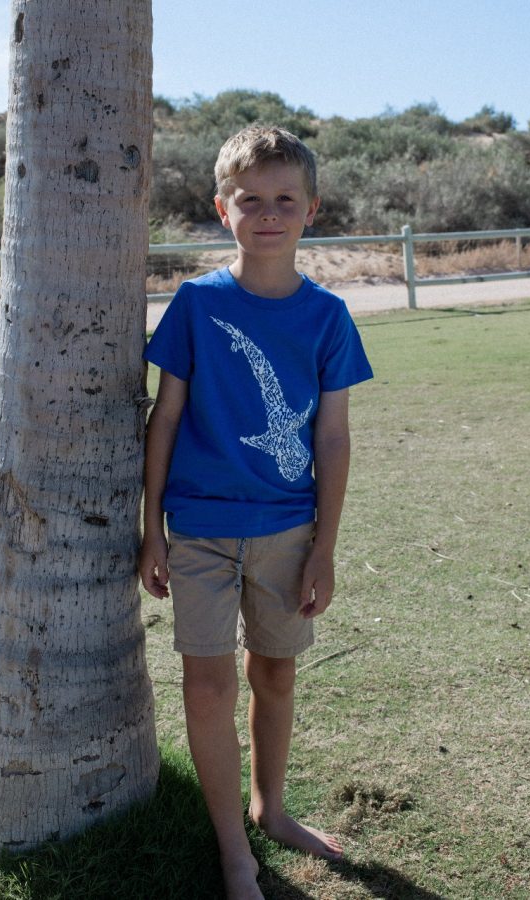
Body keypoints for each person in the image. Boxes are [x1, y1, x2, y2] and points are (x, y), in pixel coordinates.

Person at [139, 125, 373, 900]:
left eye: (284, 200)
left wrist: (324, 548)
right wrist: (152, 532)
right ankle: (234, 848)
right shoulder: (198, 305)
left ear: (311, 210)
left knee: (274, 671)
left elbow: (332, 436)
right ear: (222, 208)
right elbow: (165, 418)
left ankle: (272, 809)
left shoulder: (328, 316)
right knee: (207, 689)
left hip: (287, 530)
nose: (267, 214)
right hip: (199, 531)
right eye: (251, 201)